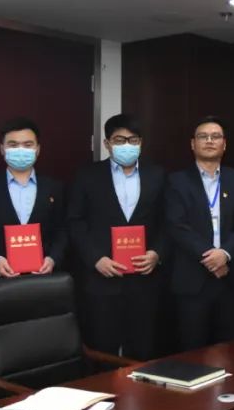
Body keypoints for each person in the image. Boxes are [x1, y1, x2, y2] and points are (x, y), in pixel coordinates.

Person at [68, 114, 166, 359]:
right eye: (119, 140)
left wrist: (157, 253)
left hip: (144, 280)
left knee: (143, 351)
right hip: (102, 278)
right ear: (107, 143)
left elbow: (167, 222)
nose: (127, 145)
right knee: (102, 350)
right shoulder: (87, 175)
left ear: (141, 143)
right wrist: (95, 258)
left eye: (133, 140)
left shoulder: (157, 175)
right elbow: (75, 221)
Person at [165, 116, 234, 350]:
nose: (209, 141)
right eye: (203, 136)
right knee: (192, 350)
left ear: (224, 144)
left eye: (215, 136)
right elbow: (176, 226)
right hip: (192, 279)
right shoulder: (176, 181)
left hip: (231, 278)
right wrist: (211, 257)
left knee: (232, 350)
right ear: (192, 144)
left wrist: (225, 254)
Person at [0, 117, 66, 281]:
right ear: (2, 149)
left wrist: (53, 258)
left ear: (38, 149)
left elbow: (62, 229)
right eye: (13, 145)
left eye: (28, 145)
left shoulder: (54, 187)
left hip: (44, 279)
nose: (20, 150)